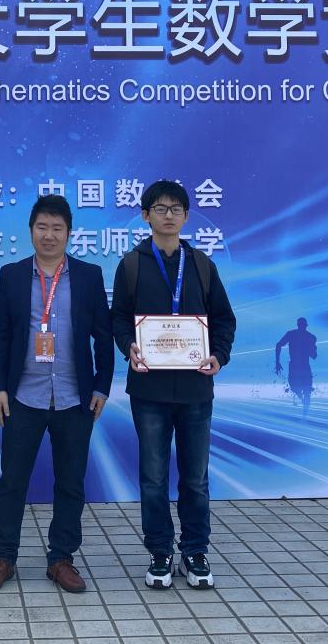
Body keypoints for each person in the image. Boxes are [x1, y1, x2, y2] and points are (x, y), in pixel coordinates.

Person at [0, 195, 114, 594]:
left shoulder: (88, 275)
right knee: (12, 480)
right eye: (42, 227)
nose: (49, 235)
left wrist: (102, 386)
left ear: (69, 233)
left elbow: (103, 337)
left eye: (57, 228)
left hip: (75, 398)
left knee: (70, 482)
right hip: (24, 396)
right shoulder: (12, 275)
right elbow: (2, 334)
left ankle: (61, 559)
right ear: (31, 230)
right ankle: (3, 557)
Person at [112, 180, 236, 590]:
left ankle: (195, 551)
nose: (169, 215)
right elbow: (118, 318)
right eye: (160, 208)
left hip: (196, 389)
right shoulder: (131, 265)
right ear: (145, 215)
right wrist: (128, 346)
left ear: (185, 216)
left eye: (176, 209)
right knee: (153, 478)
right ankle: (160, 551)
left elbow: (224, 319)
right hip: (148, 390)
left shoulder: (201, 265)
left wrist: (219, 355)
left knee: (195, 478)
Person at [274, 318, 317, 417]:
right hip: (301, 366)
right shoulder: (309, 337)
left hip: (297, 366)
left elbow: (278, 345)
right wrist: (277, 362)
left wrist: (277, 362)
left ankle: (304, 410)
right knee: (301, 389)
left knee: (300, 389)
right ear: (305, 325)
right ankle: (304, 408)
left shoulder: (294, 335)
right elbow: (314, 355)